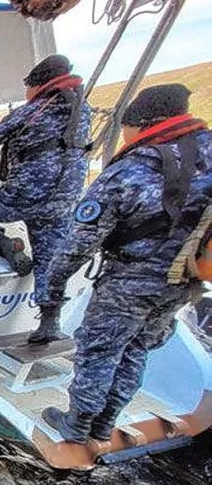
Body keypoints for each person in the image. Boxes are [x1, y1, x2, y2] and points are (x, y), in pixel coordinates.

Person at [40, 84, 210, 444]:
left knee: (100, 349)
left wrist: (53, 286)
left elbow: (78, 242)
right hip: (184, 279)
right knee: (135, 348)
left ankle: (77, 426)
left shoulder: (135, 167)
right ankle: (105, 424)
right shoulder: (206, 153)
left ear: (142, 123)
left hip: (131, 280)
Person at [0, 54, 92, 344]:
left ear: (37, 84)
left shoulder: (32, 111)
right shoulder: (82, 111)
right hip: (65, 197)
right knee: (49, 256)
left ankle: (7, 247)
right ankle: (49, 321)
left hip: (28, 189)